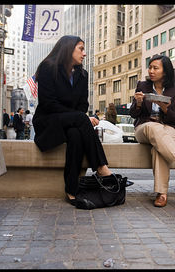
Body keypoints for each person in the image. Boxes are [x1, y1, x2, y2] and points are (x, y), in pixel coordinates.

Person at [32, 35, 114, 207]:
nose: (84, 53)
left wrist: (78, 117)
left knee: (76, 135)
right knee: (79, 120)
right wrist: (78, 117)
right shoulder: (48, 68)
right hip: (48, 121)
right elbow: (48, 103)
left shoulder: (82, 75)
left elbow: (83, 104)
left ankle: (71, 190)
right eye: (81, 49)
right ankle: (101, 167)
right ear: (68, 49)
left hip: (72, 123)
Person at [129, 54, 175, 207]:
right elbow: (134, 114)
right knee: (153, 127)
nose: (151, 71)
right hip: (145, 127)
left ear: (165, 72)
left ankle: (162, 194)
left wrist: (164, 108)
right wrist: (139, 103)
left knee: (158, 149)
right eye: (150, 67)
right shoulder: (142, 86)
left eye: (155, 68)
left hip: (168, 128)